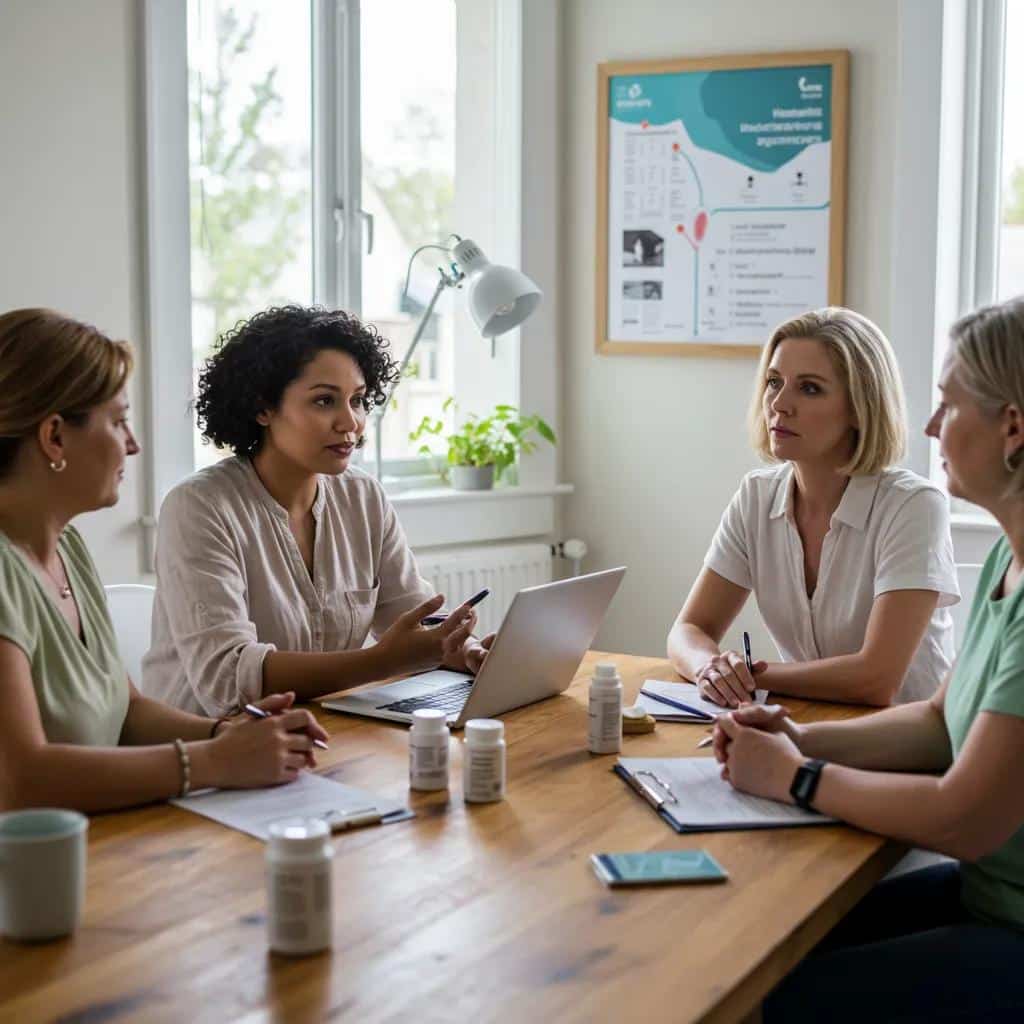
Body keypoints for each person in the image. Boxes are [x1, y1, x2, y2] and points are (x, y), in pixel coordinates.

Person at [713, 297, 1024, 1021]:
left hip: (1011, 923)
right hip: (987, 892)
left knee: (770, 999)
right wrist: (799, 737)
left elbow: (965, 819)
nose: (930, 427)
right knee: (763, 941)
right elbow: (939, 722)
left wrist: (798, 777)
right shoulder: (1006, 564)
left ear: (1013, 425)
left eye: (948, 406)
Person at [0, 308, 327, 813]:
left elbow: (125, 713)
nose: (132, 445)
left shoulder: (67, 548)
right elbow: (21, 780)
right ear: (55, 437)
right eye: (119, 421)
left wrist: (230, 732)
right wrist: (214, 762)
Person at [142, 305, 490, 717]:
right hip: (210, 754)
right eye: (325, 401)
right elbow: (227, 678)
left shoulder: (362, 497)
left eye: (358, 401)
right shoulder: (200, 507)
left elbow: (413, 618)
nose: (350, 422)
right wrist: (385, 660)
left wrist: (465, 651)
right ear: (262, 407)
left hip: (323, 738)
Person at [667, 307, 959, 707]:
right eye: (774, 382)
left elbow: (876, 679)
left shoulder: (913, 506)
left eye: (809, 388)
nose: (779, 404)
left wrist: (750, 676)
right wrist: (710, 668)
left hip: (907, 747)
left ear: (860, 407)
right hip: (806, 724)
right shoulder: (757, 496)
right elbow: (689, 628)